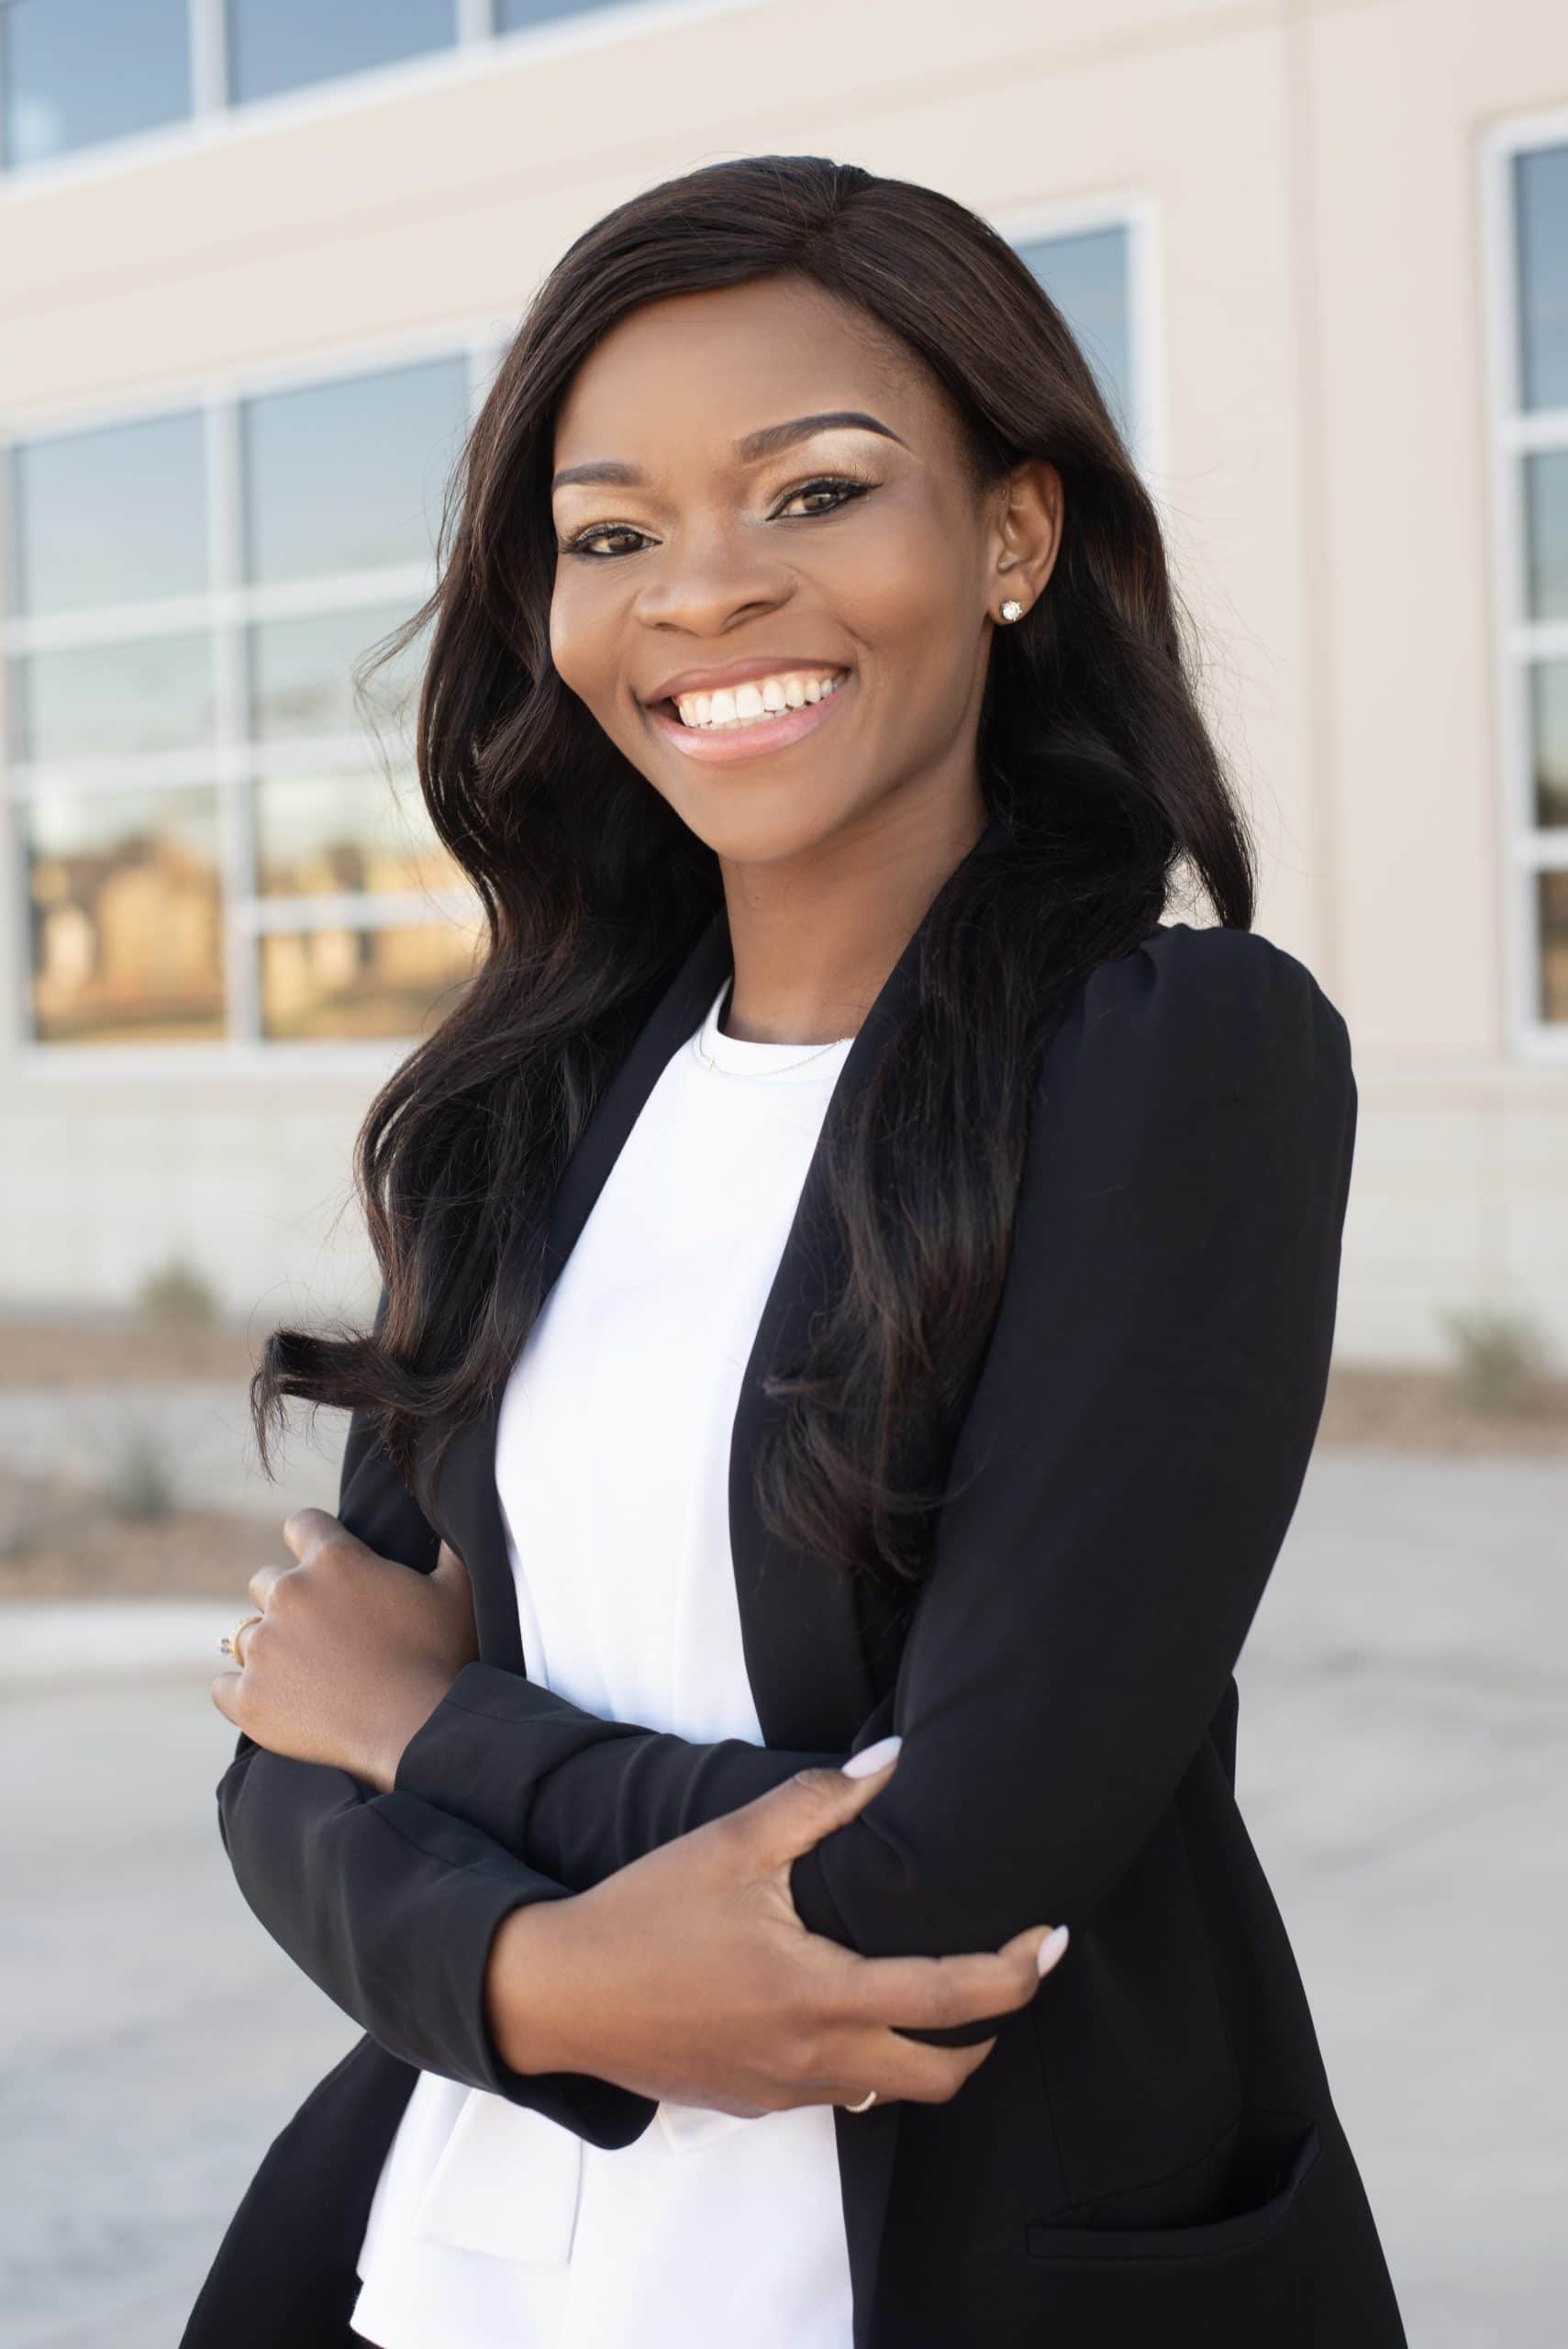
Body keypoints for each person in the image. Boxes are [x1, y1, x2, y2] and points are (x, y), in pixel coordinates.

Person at [183, 154, 1407, 2348]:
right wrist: (538, 1975)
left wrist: (435, 1732)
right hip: (466, 2269)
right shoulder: (539, 1095)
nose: (707, 592)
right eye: (613, 533)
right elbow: (281, 1762)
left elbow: (962, 1861)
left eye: (817, 493)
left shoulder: (1177, 1059)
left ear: (1012, 536)